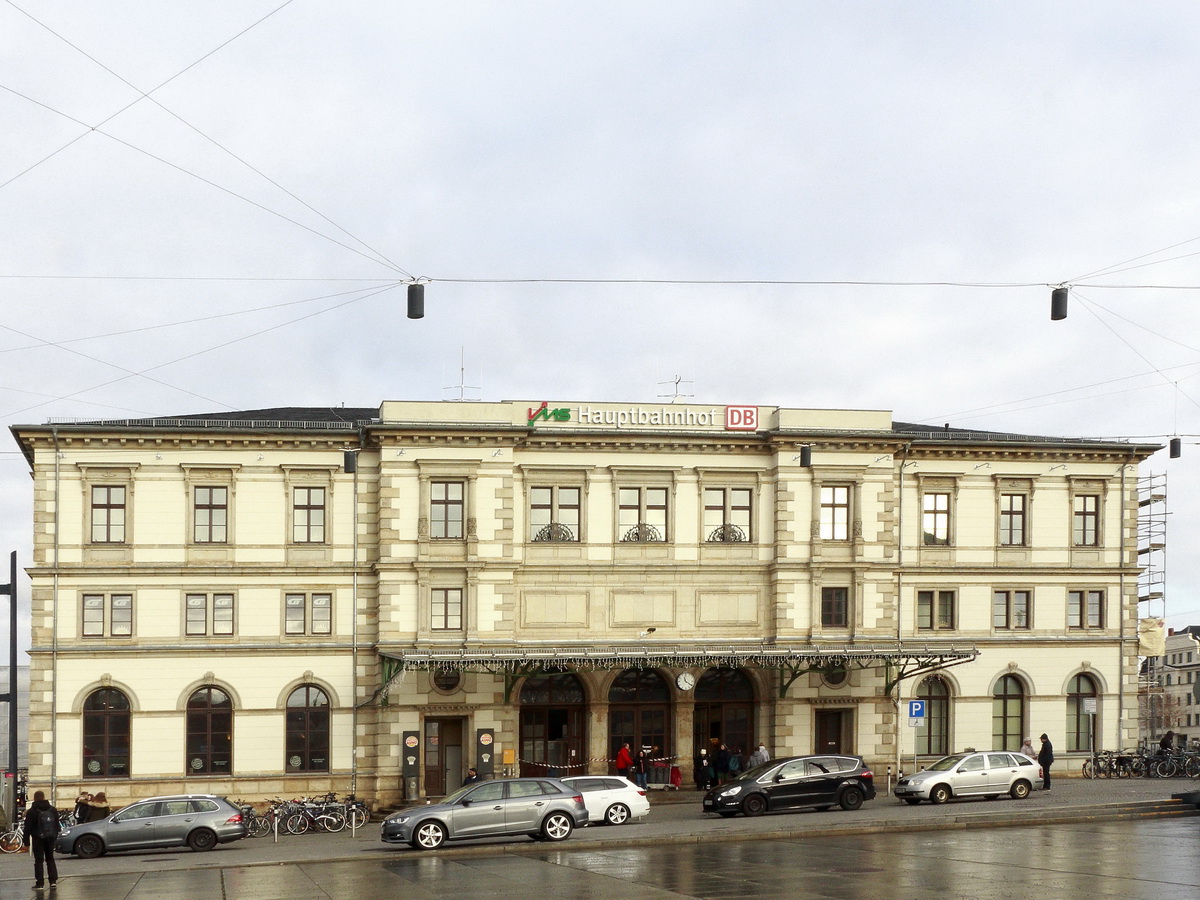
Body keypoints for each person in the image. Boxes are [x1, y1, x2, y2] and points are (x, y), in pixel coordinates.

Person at [22, 789, 59, 891]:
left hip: (38, 838)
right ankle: (53, 881)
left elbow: (27, 827)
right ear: (44, 797)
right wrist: (54, 836)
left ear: (34, 798)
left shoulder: (32, 811)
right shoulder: (52, 809)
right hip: (50, 838)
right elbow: (57, 825)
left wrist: (26, 841)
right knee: (50, 859)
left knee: (39, 861)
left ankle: (40, 883)